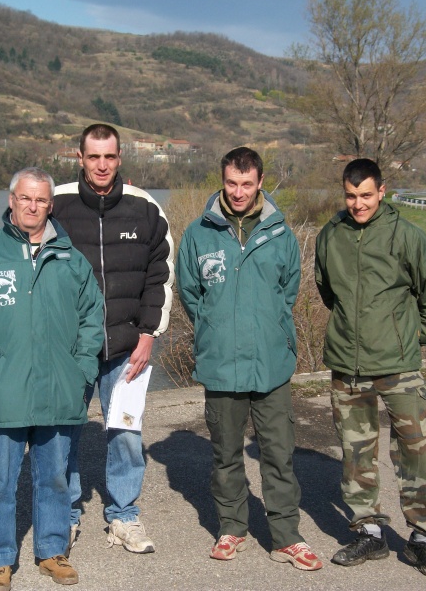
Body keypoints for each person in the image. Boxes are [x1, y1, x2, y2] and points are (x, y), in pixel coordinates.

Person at [0, 167, 104, 590]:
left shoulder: (71, 259)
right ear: (12, 200)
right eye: (26, 198)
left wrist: (81, 369)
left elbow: (92, 318)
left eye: (42, 200)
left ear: (51, 205)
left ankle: (52, 552)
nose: (33, 207)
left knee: (54, 478)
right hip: (4, 392)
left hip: (59, 392)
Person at [175, 147, 323, 571]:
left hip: (271, 364)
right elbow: (190, 294)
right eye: (230, 184)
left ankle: (286, 536)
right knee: (225, 454)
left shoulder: (279, 233)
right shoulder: (199, 234)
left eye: (246, 184)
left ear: (260, 183)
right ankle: (232, 527)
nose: (238, 192)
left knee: (278, 452)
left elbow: (287, 292)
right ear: (221, 182)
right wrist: (213, 329)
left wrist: (272, 331)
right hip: (221, 363)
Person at [314, 158, 426, 578]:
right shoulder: (330, 236)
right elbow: (327, 291)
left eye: (366, 196)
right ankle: (369, 532)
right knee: (357, 454)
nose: (358, 204)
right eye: (351, 196)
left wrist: (417, 337)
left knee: (413, 452)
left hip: (399, 366)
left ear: (382, 191)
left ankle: (422, 540)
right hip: (347, 362)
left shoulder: (407, 236)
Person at [53, 123, 174, 554]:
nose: (101, 165)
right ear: (80, 158)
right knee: (63, 432)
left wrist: (148, 334)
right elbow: (26, 250)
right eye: (93, 156)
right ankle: (63, 517)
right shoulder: (58, 205)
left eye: (109, 156)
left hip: (127, 347)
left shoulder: (144, 208)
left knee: (125, 431)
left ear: (119, 157)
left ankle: (123, 516)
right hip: (72, 349)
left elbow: (160, 273)